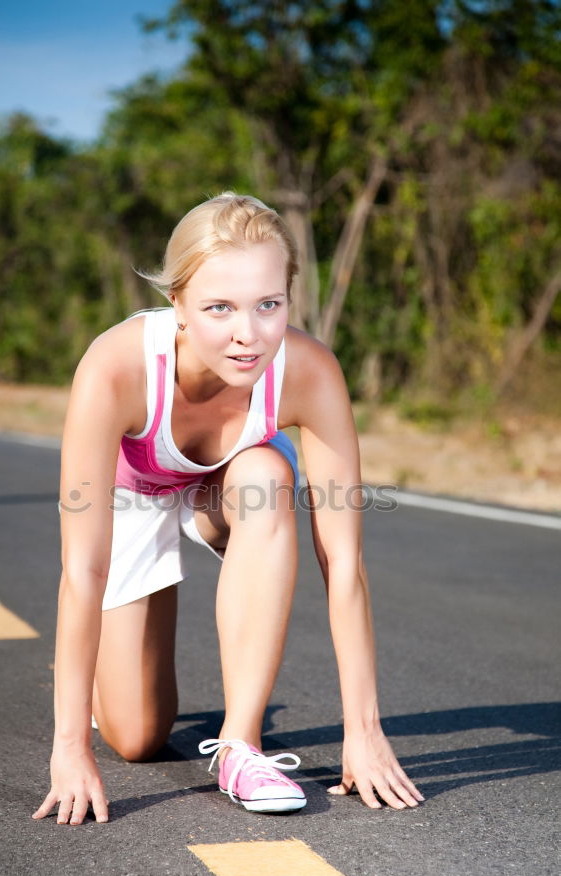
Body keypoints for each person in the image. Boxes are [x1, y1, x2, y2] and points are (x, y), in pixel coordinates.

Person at [32, 192, 424, 826]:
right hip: (132, 495)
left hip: (225, 487)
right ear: (178, 305)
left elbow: (344, 560)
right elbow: (82, 570)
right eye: (220, 308)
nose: (249, 334)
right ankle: (108, 691)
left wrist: (364, 730)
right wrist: (70, 747)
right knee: (138, 738)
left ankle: (242, 747)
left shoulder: (310, 371)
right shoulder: (116, 369)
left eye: (269, 305)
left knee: (268, 474)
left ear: (289, 298)